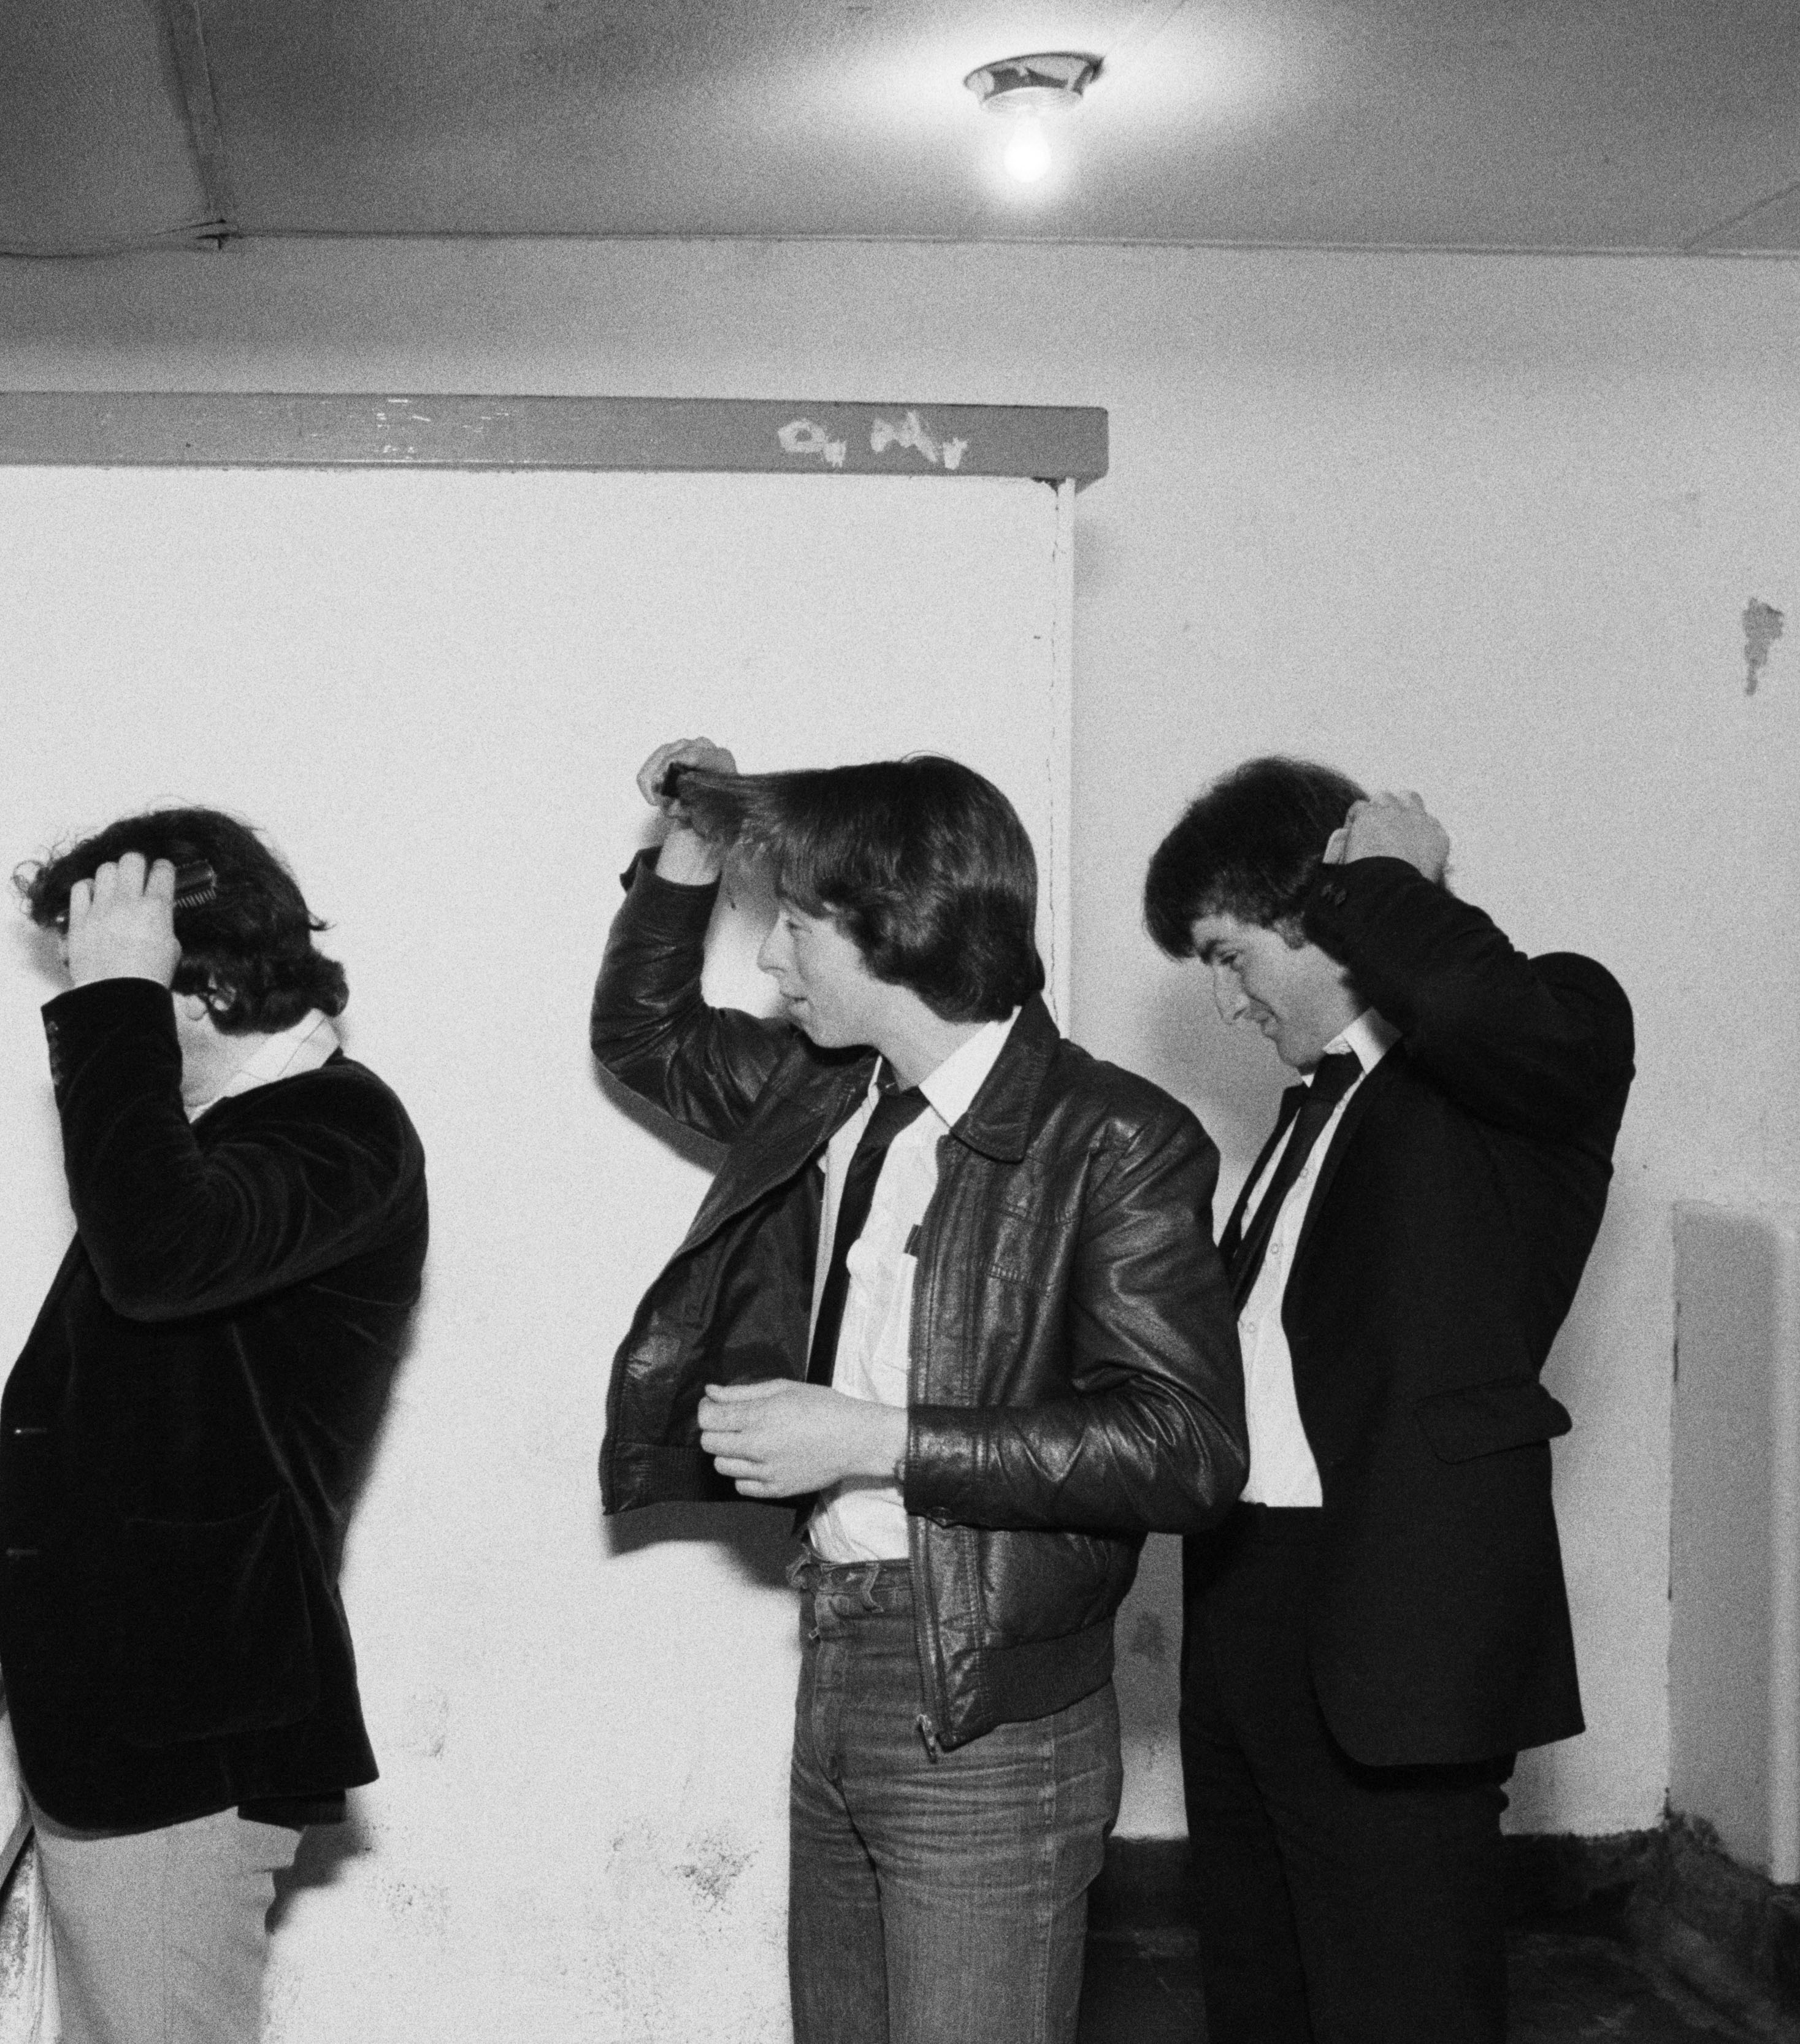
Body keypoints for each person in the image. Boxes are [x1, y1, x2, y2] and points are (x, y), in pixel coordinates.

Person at [593, 740, 1246, 2044]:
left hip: (986, 1693)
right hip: (840, 1643)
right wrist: (688, 840)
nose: (768, 956)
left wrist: (875, 1439)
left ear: (896, 923)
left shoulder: (1113, 1137)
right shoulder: (827, 1094)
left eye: (793, 921)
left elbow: (1184, 1447)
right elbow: (643, 1030)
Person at [1141, 760, 1634, 2044]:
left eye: (1231, 953)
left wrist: (1388, 880)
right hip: (1249, 1603)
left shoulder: (1543, 1038)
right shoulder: (1311, 1107)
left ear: (1322, 916)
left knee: (1400, 2008)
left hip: (1396, 1626)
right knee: (1261, 1995)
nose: (1226, 998)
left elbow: (1487, 1012)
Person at [0, 806, 428, 2044]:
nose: (80, 997)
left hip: (183, 1730)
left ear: (188, 992)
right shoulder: (225, 1140)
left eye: (95, 971)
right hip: (140, 1709)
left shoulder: (339, 1129)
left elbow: (156, 1261)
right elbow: (175, 1394)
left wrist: (111, 1010)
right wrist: (31, 1546)